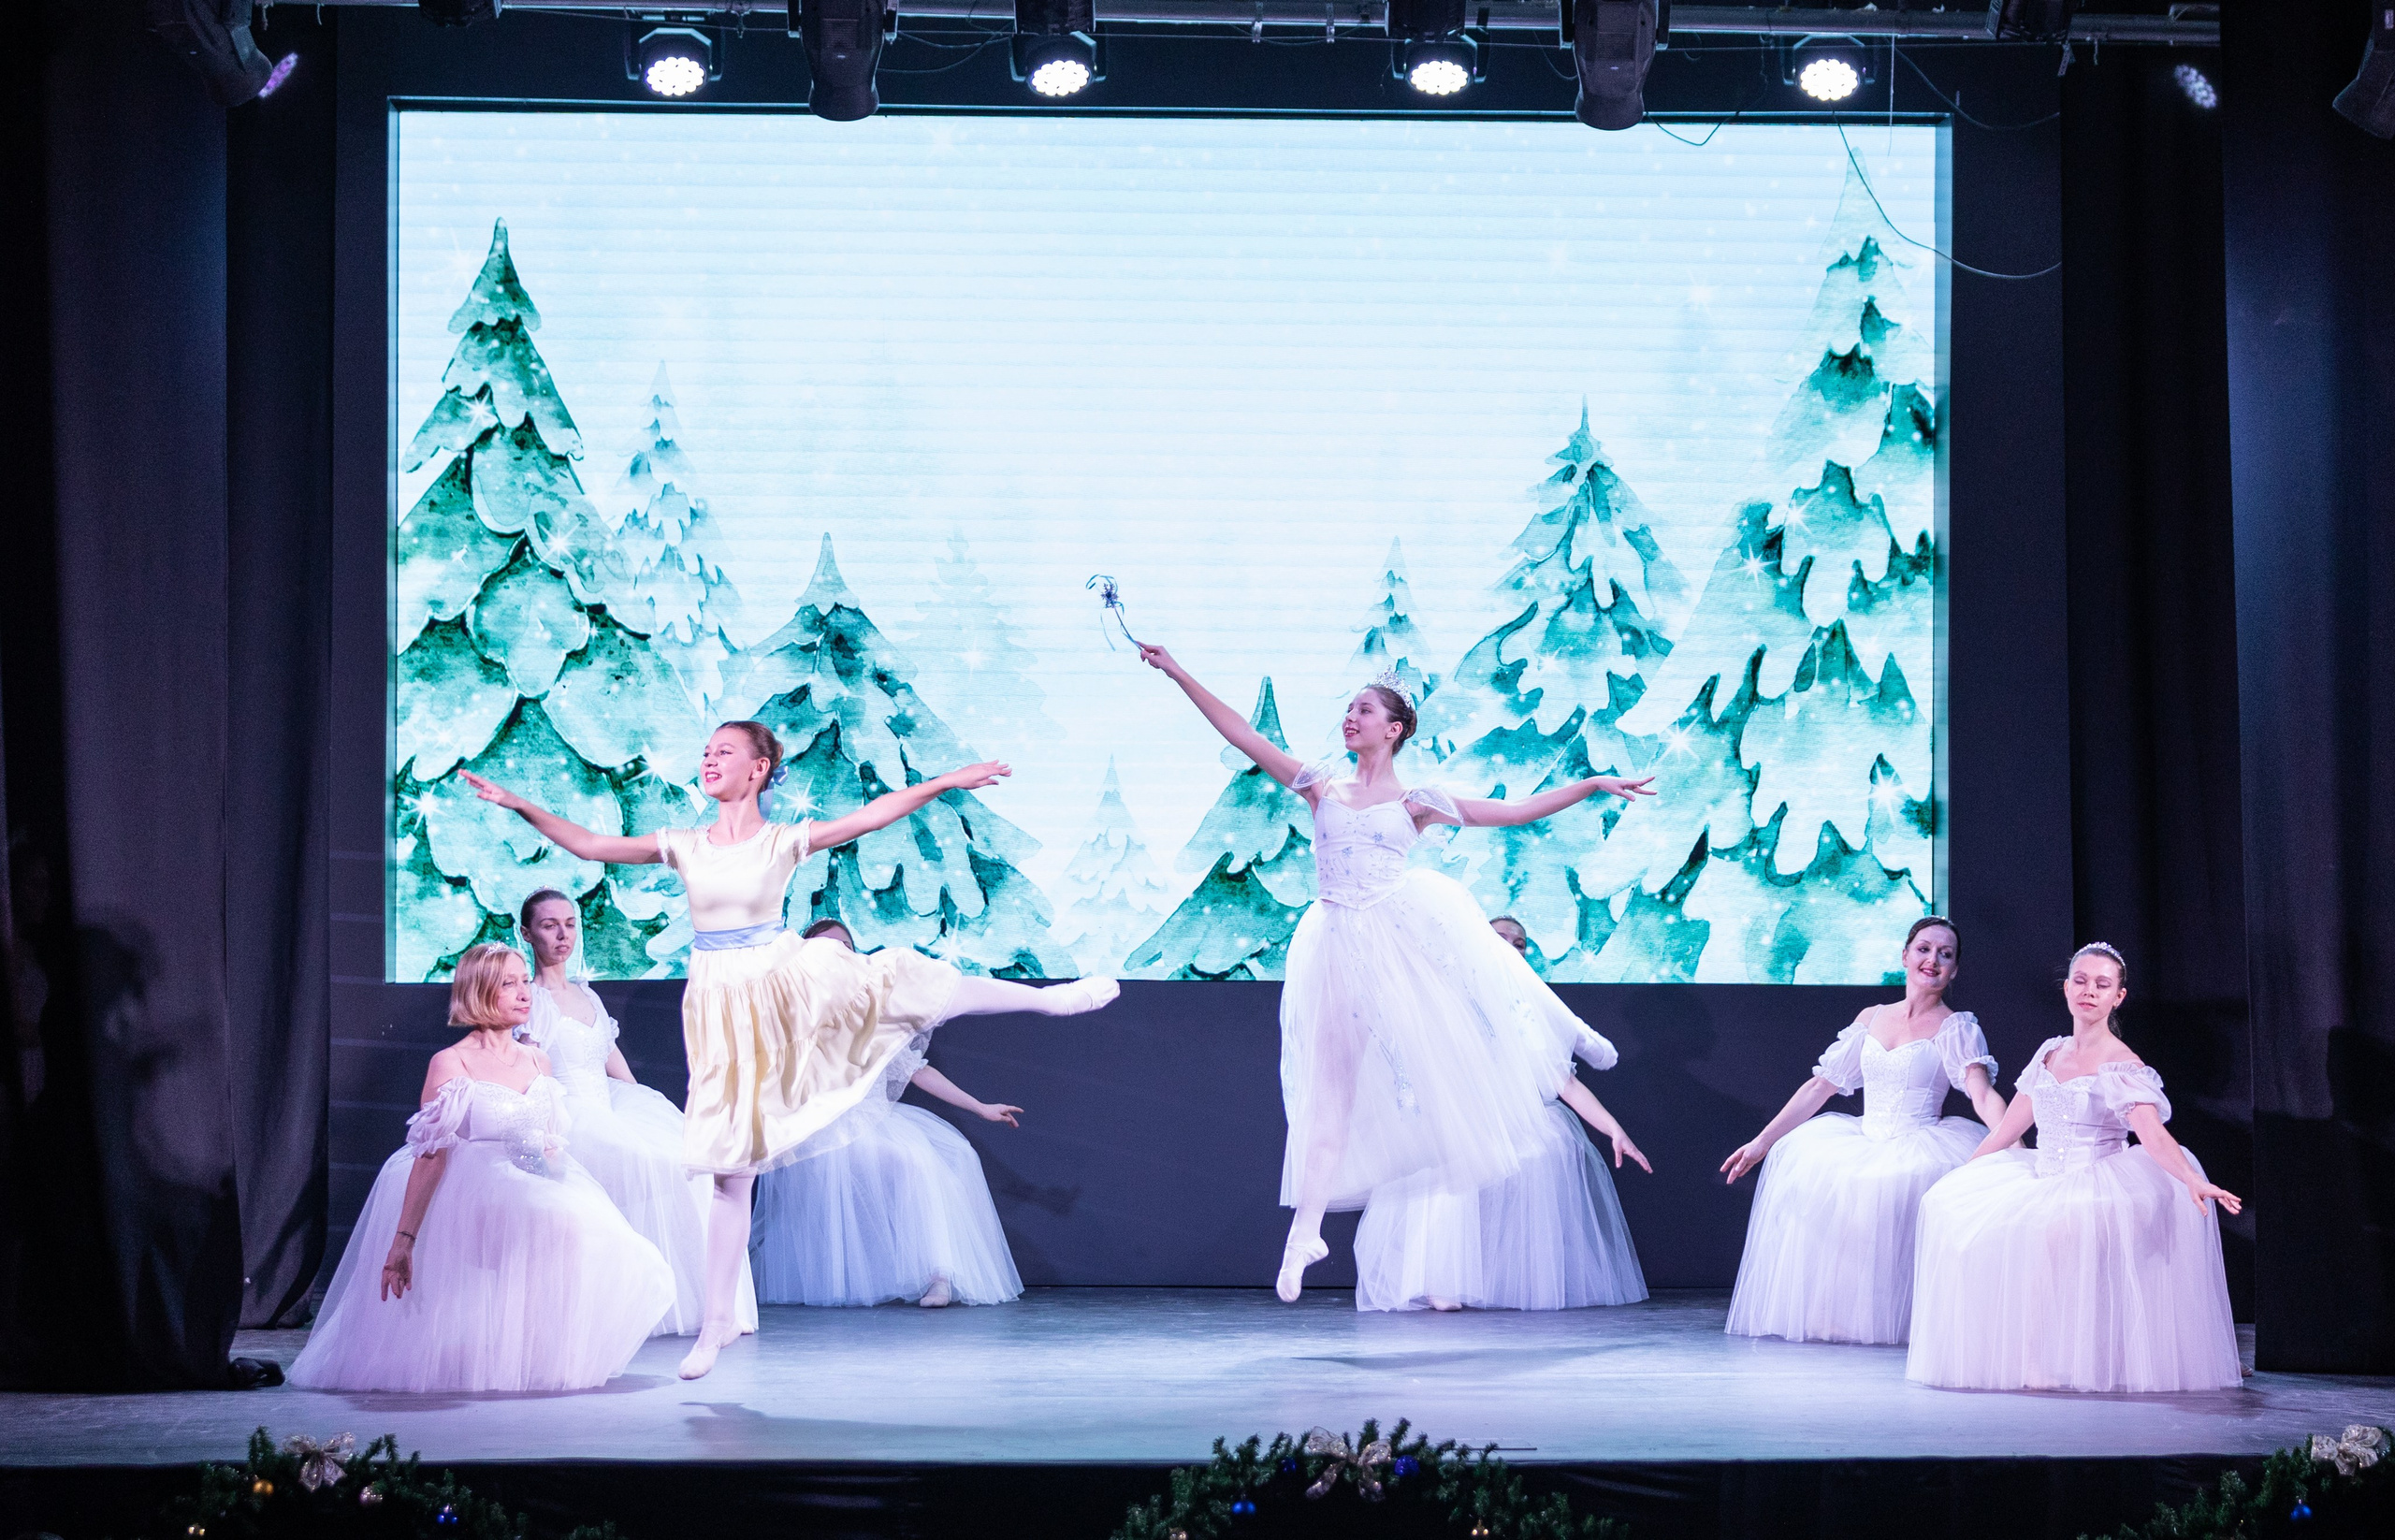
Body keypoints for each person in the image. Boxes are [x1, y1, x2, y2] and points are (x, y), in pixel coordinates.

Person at [459, 720, 1120, 1377]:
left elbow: (868, 818)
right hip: (720, 1001)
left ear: (759, 770)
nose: (710, 759)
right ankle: (717, 1320)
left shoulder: (780, 841)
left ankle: (1050, 998)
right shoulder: (685, 844)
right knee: (729, 1166)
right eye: (706, 751)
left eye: (725, 751)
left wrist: (945, 781)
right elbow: (591, 842)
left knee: (902, 980)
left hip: (781, 976)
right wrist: (519, 804)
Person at [1140, 646, 1656, 1300]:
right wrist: (1181, 671)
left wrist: (1589, 786)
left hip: (1398, 947)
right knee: (1329, 1098)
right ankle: (1306, 1234)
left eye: (1363, 710)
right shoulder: (1320, 785)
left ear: (1394, 729)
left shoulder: (1419, 801)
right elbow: (1242, 733)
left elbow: (1516, 812)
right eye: (1348, 709)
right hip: (1334, 949)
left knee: (1468, 1021)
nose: (1349, 718)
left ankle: (1566, 1041)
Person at [289, 943, 675, 1392]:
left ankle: (531, 1357)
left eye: (524, 981)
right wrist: (403, 1241)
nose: (523, 992)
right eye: (507, 984)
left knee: (614, 1246)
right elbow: (431, 1154)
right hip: (473, 1187)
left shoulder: (537, 1060)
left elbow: (548, 1142)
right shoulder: (453, 1063)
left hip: (532, 1178)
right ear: (478, 993)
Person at [1906, 943, 2243, 1392]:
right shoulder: (2050, 1052)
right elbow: (2008, 1129)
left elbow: (2152, 1134)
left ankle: (2053, 1361)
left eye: (2102, 985)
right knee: (1970, 1218)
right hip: (2042, 1174)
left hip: (2097, 1181)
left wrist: (2191, 1179)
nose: (2089, 991)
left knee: (2049, 1232)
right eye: (2080, 981)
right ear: (2066, 989)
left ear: (2117, 997)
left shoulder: (2122, 1064)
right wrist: (1966, 1173)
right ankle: (2030, 1357)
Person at [1718, 917, 2005, 1345]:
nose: (1933, 960)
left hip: (1919, 1144)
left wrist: (2010, 1143)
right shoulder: (1871, 1018)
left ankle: (1905, 1325)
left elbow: (1981, 1094)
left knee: (1895, 1206)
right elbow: (1820, 1086)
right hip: (1860, 1141)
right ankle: (1842, 1320)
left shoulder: (1957, 1027)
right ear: (1905, 956)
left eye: (1945, 955)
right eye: (1924, 949)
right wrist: (1762, 1143)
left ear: (1954, 970)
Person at [515, 888, 756, 1339]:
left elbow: (612, 1059)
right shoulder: (531, 1001)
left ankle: (714, 1307)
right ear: (526, 933)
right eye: (550, 925)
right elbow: (529, 1069)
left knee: (697, 1168)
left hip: (610, 1107)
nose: (563, 935)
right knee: (647, 1168)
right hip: (570, 1118)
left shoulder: (587, 995)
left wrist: (644, 1107)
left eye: (570, 924)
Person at [1353, 952, 1651, 1312]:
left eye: (1519, 942)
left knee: (1544, 1150)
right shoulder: (1445, 1004)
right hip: (1463, 1119)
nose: (1508, 948)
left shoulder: (1527, 1015)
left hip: (1522, 1123)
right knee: (1452, 1159)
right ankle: (1438, 1278)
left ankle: (1506, 1277)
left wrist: (1613, 1129)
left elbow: (1565, 1083)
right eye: (1497, 940)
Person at [748, 921, 1024, 1309]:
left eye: (844, 946)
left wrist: (979, 1106)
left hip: (873, 1120)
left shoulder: (873, 1009)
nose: (837, 955)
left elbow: (913, 1068)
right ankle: (846, 1277)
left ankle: (939, 1275)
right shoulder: (790, 1013)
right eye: (824, 949)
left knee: (937, 1158)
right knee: (889, 1164)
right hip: (819, 1128)